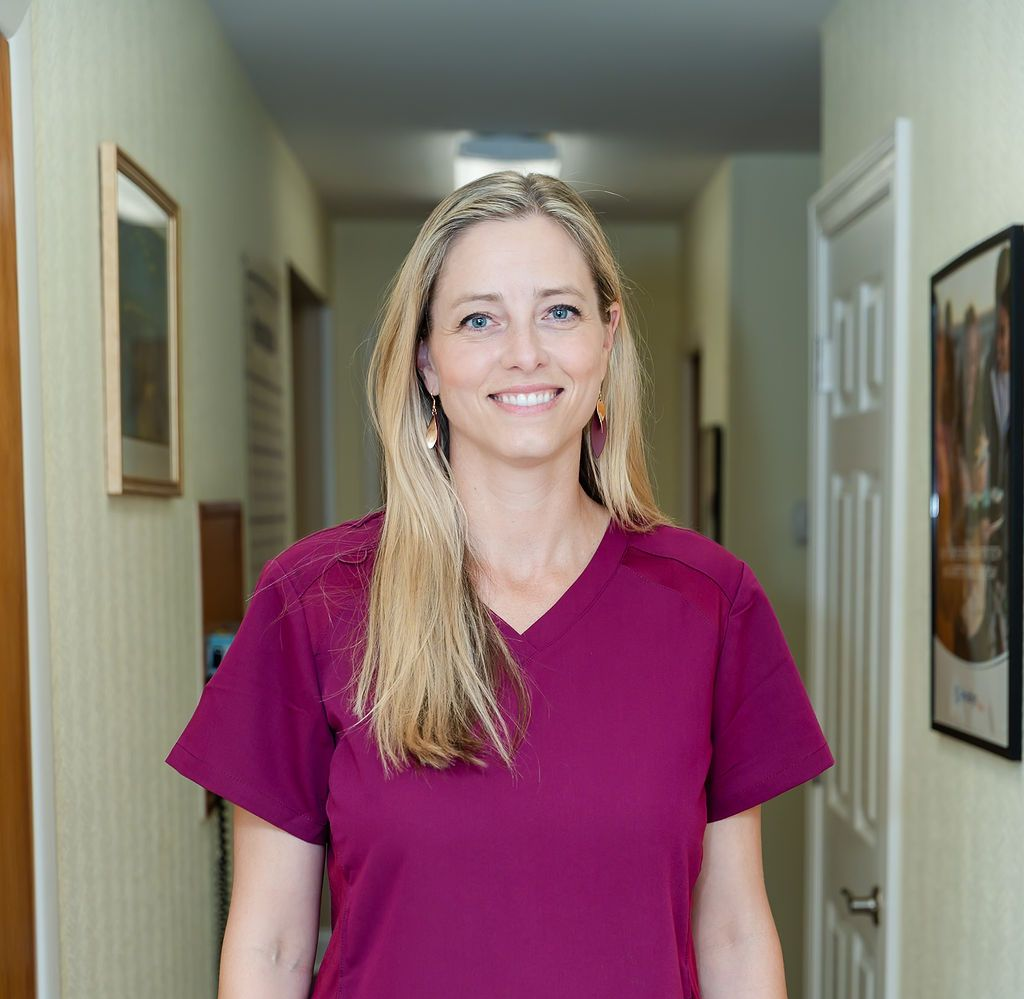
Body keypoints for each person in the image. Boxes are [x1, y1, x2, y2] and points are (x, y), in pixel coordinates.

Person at [166, 171, 835, 999]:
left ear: (606, 340)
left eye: (559, 311)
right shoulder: (314, 601)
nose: (526, 351)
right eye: (479, 318)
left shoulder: (711, 603)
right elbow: (267, 944)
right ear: (428, 362)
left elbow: (734, 930)